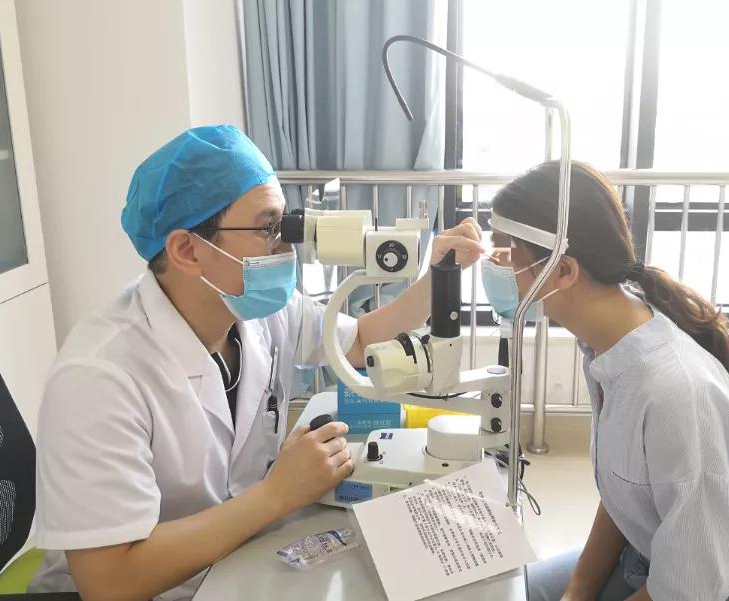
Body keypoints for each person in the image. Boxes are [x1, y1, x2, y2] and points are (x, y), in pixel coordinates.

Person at [29, 125, 483, 601]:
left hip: (235, 561)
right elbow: (109, 582)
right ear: (187, 250)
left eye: (287, 225)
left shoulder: (258, 309)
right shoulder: (98, 377)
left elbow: (361, 340)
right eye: (269, 228)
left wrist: (440, 275)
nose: (287, 246)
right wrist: (276, 495)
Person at [480, 160, 729, 601]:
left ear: (563, 270)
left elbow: (691, 586)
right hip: (652, 551)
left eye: (508, 253)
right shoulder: (610, 343)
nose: (495, 264)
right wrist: (577, 591)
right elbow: (628, 490)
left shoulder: (671, 390)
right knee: (499, 593)